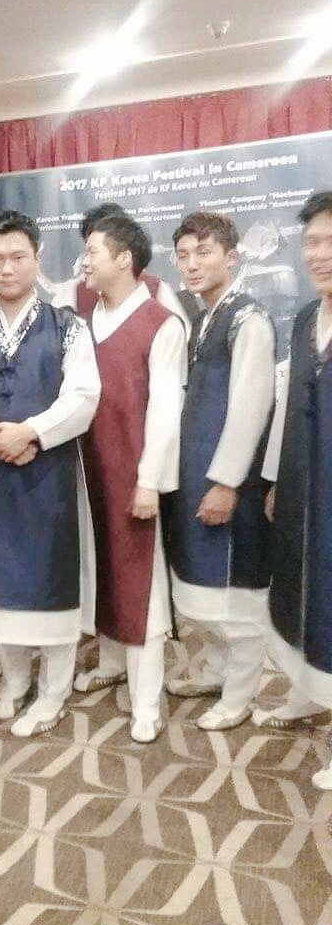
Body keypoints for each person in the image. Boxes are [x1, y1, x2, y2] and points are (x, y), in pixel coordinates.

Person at [0, 210, 100, 737]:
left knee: (52, 580)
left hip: (48, 475)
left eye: (17, 257)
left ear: (37, 259)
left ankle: (53, 692)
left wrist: (29, 432)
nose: (6, 269)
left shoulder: (69, 327)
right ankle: (14, 680)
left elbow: (84, 396)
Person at [73, 214, 187, 743]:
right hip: (86, 468)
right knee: (101, 570)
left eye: (93, 251)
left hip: (132, 470)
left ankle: (146, 702)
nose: (84, 261)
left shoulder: (161, 323)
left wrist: (149, 480)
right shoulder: (83, 318)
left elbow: (166, 408)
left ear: (124, 259)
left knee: (140, 584)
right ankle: (112, 661)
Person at [168, 212, 275, 730]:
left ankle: (239, 696)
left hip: (228, 484)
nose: (192, 264)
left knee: (237, 600)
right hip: (196, 475)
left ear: (231, 257)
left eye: (204, 253)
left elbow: (251, 407)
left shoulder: (247, 319)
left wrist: (226, 483)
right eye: (184, 255)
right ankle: (216, 672)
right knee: (204, 590)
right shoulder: (204, 316)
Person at [253, 191, 332, 788]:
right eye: (312, 241)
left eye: (331, 242)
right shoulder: (306, 318)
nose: (319, 254)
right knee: (303, 590)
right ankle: (310, 692)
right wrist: (278, 478)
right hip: (306, 484)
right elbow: (288, 407)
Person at [75, 203, 196, 333]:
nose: (86, 261)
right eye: (88, 249)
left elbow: (183, 336)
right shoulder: (77, 293)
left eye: (94, 251)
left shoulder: (155, 289)